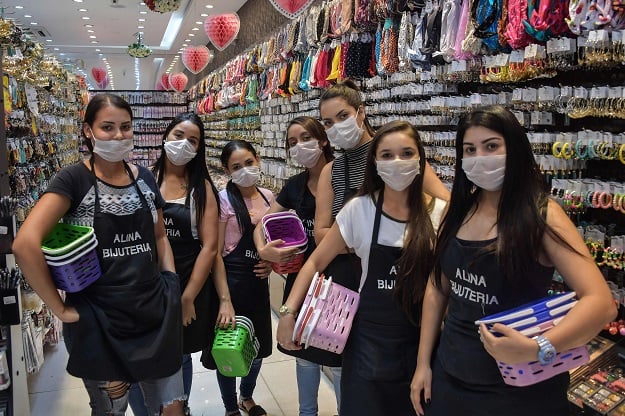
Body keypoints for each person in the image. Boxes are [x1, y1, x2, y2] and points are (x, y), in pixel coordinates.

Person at [410, 105, 617, 416]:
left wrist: (539, 347)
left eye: (491, 146)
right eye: (470, 149)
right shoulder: (460, 210)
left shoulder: (542, 216)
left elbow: (601, 303)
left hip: (521, 390)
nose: (480, 157)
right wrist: (423, 363)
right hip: (451, 379)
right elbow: (438, 287)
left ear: (515, 149)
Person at [12, 93, 186, 415]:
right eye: (107, 127)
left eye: (125, 127)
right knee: (110, 410)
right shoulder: (73, 179)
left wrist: (170, 282)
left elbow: (160, 235)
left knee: (171, 408)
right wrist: (60, 309)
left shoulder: (144, 177)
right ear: (88, 131)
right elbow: (24, 244)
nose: (119, 135)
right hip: (100, 318)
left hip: (154, 312)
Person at [277, 121, 447, 415]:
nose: (397, 163)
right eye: (387, 155)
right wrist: (288, 312)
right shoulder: (360, 209)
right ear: (375, 163)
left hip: (424, 342)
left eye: (407, 153)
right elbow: (316, 260)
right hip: (369, 341)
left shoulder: (441, 215)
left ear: (421, 159)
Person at [128, 113, 236, 416]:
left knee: (180, 352)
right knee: (142, 349)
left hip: (190, 278)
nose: (183, 144)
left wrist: (187, 297)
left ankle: (181, 406)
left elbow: (209, 247)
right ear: (165, 137)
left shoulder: (201, 187)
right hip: (147, 280)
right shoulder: (143, 178)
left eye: (192, 140)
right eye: (178, 135)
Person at [313, 80, 450, 295]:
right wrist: (366, 243)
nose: (337, 127)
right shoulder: (332, 171)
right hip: (346, 282)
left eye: (343, 116)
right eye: (328, 122)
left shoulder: (399, 155)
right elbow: (320, 235)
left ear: (361, 112)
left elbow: (445, 203)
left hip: (399, 274)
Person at [252, 116, 341, 416]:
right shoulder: (294, 186)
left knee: (336, 355)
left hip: (338, 280)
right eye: (292, 142)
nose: (299, 146)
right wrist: (264, 249)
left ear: (324, 139)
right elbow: (262, 223)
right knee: (303, 354)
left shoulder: (343, 177)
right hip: (302, 278)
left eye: (305, 138)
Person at [200, 140, 274, 416]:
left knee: (256, 351)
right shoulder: (222, 201)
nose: (244, 170)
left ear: (258, 159)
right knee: (227, 352)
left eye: (249, 163)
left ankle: (247, 396)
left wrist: (271, 265)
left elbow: (275, 244)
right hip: (230, 284)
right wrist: (224, 301)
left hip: (258, 287)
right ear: (226, 170)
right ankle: (230, 407)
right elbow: (216, 254)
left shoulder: (269, 198)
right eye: (236, 167)